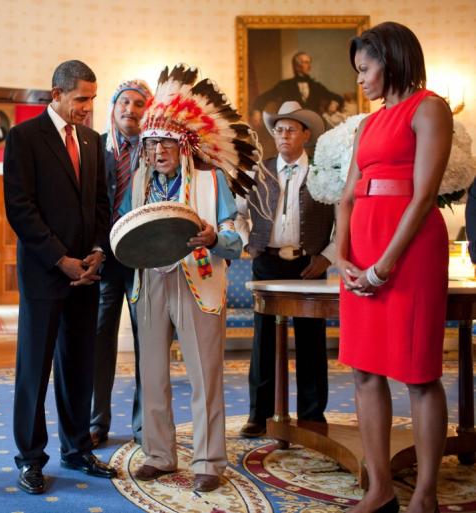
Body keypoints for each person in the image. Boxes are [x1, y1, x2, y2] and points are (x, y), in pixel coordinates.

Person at [126, 64, 261, 493]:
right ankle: (160, 454)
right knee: (151, 373)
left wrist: (214, 236)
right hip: (150, 284)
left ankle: (208, 459)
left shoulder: (211, 180)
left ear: (183, 144)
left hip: (198, 281)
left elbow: (237, 233)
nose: (157, 152)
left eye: (165, 143)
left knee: (205, 373)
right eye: (150, 145)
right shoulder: (139, 184)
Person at [336, 22, 452, 513]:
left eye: (365, 68)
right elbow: (345, 198)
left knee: (419, 372)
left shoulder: (430, 108)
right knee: (364, 371)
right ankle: (379, 488)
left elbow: (424, 195)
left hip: (410, 250)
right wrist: (341, 256)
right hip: (361, 250)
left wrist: (384, 266)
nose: (360, 79)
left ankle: (425, 493)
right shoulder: (366, 123)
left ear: (392, 58)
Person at [3, 59, 116, 495]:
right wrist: (60, 259)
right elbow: (21, 209)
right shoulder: (24, 138)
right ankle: (30, 458)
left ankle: (76, 448)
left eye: (92, 98)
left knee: (78, 368)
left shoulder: (91, 140)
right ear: (57, 94)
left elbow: (101, 204)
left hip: (87, 276)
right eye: (81, 98)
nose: (89, 107)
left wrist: (95, 253)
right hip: (45, 275)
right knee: (34, 370)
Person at [235, 101, 333, 438]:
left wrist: (327, 256)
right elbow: (236, 212)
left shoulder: (323, 172)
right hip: (268, 263)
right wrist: (250, 242)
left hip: (310, 264)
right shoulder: (257, 170)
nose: (283, 135)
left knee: (311, 341)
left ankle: (312, 415)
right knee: (264, 342)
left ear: (306, 134)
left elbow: (342, 221)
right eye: (278, 129)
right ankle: (259, 416)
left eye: (291, 129)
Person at [91, 79, 152, 448]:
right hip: (104, 258)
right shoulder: (94, 148)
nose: (131, 109)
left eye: (139, 104)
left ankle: (146, 424)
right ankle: (96, 421)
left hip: (144, 257)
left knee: (149, 341)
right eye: (124, 102)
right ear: (113, 108)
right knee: (99, 342)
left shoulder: (155, 149)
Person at [251, 51, 344, 124]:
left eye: (308, 62)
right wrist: (257, 111)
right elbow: (263, 98)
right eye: (305, 62)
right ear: (296, 66)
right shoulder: (285, 86)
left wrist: (335, 102)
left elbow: (336, 97)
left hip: (313, 125)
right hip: (290, 125)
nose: (309, 66)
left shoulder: (316, 86)